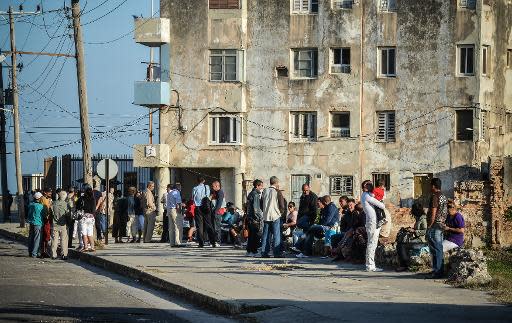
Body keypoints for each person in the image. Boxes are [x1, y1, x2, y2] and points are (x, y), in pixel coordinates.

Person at [396, 201, 428, 271]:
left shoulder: (423, 219)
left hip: (422, 241)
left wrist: (414, 231)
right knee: (400, 243)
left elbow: (426, 231)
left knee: (402, 245)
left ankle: (404, 265)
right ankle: (404, 264)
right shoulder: (419, 218)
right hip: (417, 239)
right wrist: (411, 229)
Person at [361, 180, 386, 272]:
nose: (371, 185)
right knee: (372, 243)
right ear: (364, 187)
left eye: (371, 184)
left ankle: (370, 265)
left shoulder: (368, 195)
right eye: (368, 184)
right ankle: (370, 265)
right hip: (373, 222)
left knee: (371, 243)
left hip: (372, 222)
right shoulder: (366, 195)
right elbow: (382, 206)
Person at [426, 178, 448, 278]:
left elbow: (433, 212)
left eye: (431, 185)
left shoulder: (435, 196)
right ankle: (436, 270)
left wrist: (430, 225)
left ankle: (438, 271)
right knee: (437, 248)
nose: (430, 187)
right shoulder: (443, 196)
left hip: (435, 225)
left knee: (436, 248)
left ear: (434, 186)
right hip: (441, 225)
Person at [261, 176, 285, 258]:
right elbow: (282, 205)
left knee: (266, 235)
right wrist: (280, 213)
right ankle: (277, 253)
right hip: (275, 215)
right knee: (276, 235)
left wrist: (265, 211)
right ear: (276, 183)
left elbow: (261, 204)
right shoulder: (277, 192)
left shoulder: (264, 191)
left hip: (266, 215)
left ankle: (264, 252)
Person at [192, 177, 216, 248]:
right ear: (204, 181)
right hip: (206, 207)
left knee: (199, 226)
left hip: (198, 207)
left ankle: (201, 243)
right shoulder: (207, 187)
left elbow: (193, 198)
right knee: (209, 224)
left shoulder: (195, 188)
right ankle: (213, 242)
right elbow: (209, 195)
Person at [245, 179, 264, 257]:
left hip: (250, 218)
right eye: (261, 186)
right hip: (254, 219)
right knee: (255, 235)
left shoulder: (251, 194)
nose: (262, 188)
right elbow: (256, 208)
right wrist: (260, 217)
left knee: (251, 235)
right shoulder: (255, 195)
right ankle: (254, 251)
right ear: (257, 186)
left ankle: (249, 251)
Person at [51, 190, 70, 260]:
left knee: (54, 240)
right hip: (63, 224)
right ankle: (64, 254)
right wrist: (69, 223)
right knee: (63, 240)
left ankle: (53, 254)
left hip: (54, 224)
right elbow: (68, 215)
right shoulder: (66, 204)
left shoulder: (53, 203)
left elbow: (50, 214)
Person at [79, 186, 96, 252]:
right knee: (90, 233)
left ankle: (86, 247)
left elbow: (78, 205)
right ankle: (92, 247)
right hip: (91, 218)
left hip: (84, 217)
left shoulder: (83, 198)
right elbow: (94, 209)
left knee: (84, 233)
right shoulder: (93, 199)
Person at [27, 192, 44, 258]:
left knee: (31, 238)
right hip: (38, 223)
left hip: (31, 222)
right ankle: (34, 253)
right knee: (37, 239)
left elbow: (29, 214)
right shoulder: (40, 206)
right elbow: (44, 214)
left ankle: (30, 252)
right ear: (39, 198)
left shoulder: (31, 205)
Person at [40, 188, 53, 258]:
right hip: (45, 219)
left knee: (46, 236)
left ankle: (44, 251)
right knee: (45, 236)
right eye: (49, 192)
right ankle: (43, 252)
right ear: (45, 193)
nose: (50, 194)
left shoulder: (48, 199)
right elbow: (44, 209)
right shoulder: (43, 199)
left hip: (48, 219)